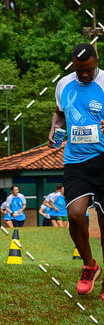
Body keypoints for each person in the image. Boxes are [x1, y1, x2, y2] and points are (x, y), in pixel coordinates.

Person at [49, 43, 104, 296]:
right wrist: (55, 129)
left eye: (88, 70)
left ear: (97, 62)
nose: (84, 75)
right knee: (74, 214)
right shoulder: (63, 84)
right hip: (75, 161)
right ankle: (89, 264)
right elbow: (59, 114)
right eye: (79, 70)